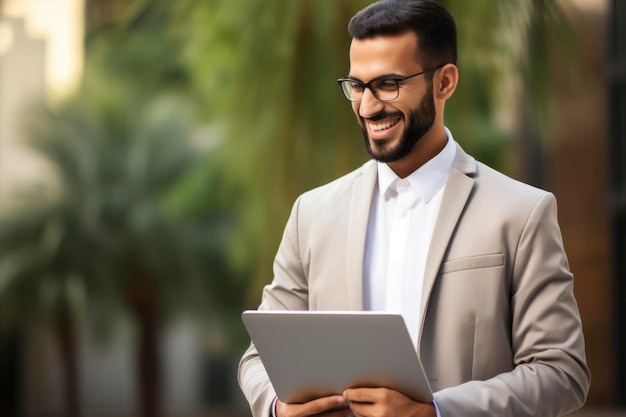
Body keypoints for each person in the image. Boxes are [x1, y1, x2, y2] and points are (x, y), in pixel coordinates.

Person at [238, 0, 591, 416]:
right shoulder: (312, 215)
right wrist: (278, 408)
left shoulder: (522, 213)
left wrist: (435, 412)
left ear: (444, 82)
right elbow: (258, 358)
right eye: (357, 86)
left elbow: (561, 372)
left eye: (388, 84)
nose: (367, 107)